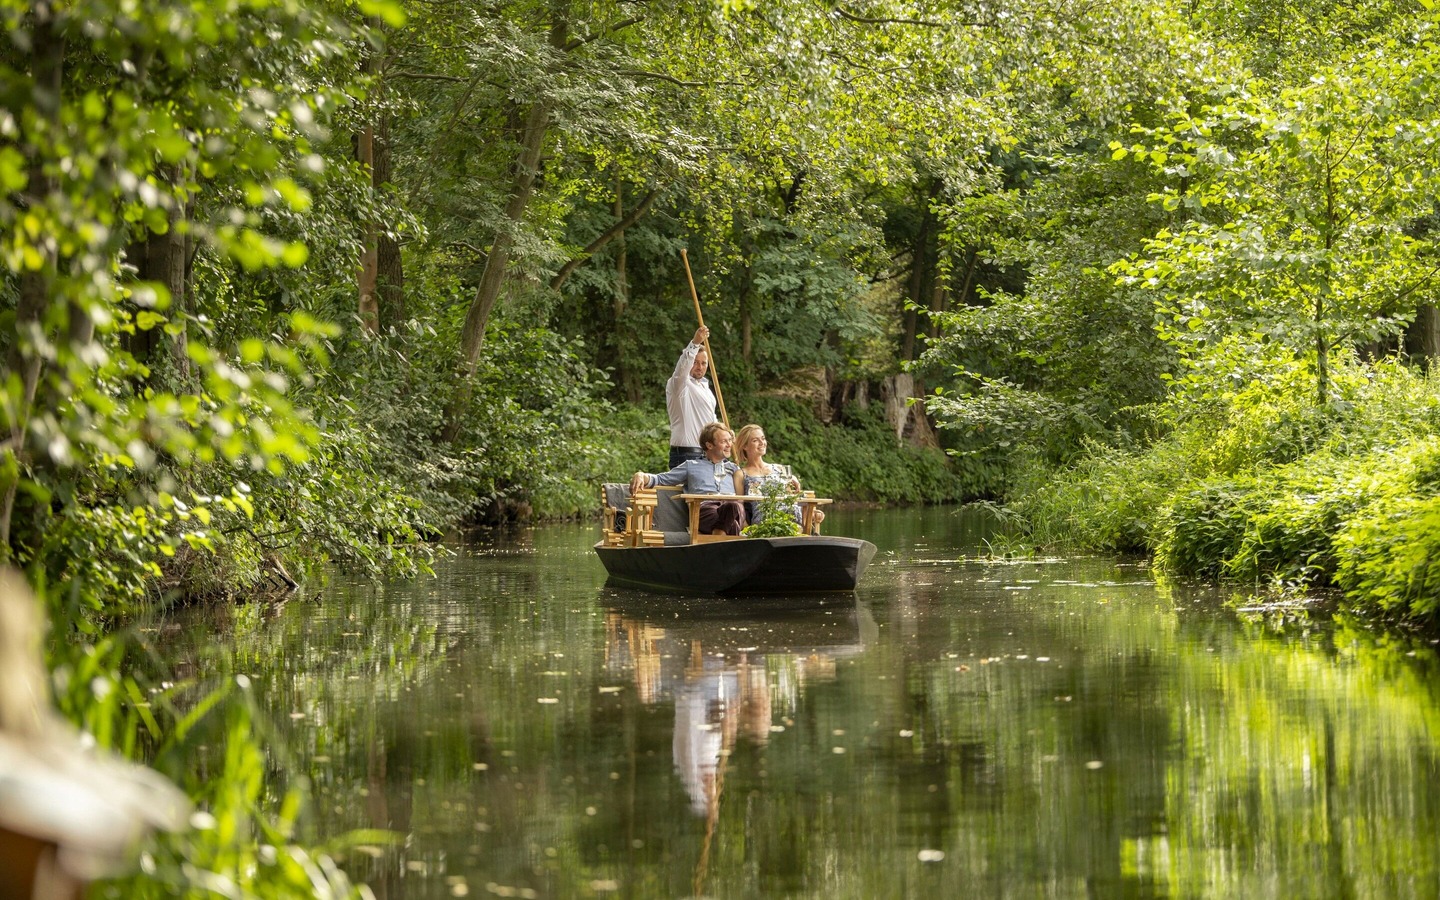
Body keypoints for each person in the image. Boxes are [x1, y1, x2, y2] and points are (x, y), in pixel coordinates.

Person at [631, 422, 746, 536]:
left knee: (733, 507)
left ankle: (719, 534)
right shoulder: (691, 466)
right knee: (733, 524)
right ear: (709, 445)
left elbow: (746, 490)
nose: (729, 445)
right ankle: (723, 533)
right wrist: (641, 475)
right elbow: (661, 479)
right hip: (706, 509)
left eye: (730, 440)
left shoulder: (734, 469)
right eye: (723, 441)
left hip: (732, 508)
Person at [731, 423, 824, 533]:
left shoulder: (779, 468)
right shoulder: (741, 474)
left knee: (802, 521)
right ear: (745, 446)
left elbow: (792, 498)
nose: (762, 443)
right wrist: (747, 531)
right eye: (755, 440)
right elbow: (739, 508)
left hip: (791, 518)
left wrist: (811, 513)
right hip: (764, 522)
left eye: (763, 438)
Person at [666, 326, 719, 469]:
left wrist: (724, 434)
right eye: (695, 362)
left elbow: (711, 421)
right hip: (686, 455)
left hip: (707, 455)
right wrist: (695, 343)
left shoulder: (705, 388)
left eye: (703, 363)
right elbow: (682, 369)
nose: (699, 367)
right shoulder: (679, 384)